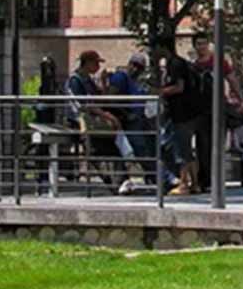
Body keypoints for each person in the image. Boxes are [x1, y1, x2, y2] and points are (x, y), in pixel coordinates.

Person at [108, 52, 174, 194]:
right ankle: (162, 179)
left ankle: (161, 178)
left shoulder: (136, 81)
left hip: (141, 120)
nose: (137, 70)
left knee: (150, 149)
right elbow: (111, 98)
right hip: (129, 121)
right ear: (130, 64)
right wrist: (126, 114)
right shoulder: (121, 77)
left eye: (141, 68)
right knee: (142, 151)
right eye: (136, 66)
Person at [64, 50, 127, 192]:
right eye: (96, 63)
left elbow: (99, 98)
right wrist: (106, 115)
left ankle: (121, 181)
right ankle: (115, 182)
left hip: (94, 121)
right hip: (80, 122)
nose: (98, 66)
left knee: (111, 147)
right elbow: (82, 104)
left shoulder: (89, 80)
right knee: (95, 150)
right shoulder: (75, 80)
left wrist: (104, 82)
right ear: (87, 63)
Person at [190, 31, 243, 193]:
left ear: (208, 45)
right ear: (194, 46)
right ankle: (205, 179)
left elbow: (231, 79)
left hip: (218, 108)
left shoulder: (218, 62)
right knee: (202, 145)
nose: (201, 47)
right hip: (200, 110)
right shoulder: (193, 66)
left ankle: (215, 178)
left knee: (217, 144)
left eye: (204, 43)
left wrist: (240, 98)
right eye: (198, 44)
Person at [156, 39, 200, 196]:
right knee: (186, 149)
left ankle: (183, 184)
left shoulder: (175, 64)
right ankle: (194, 184)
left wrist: (160, 92)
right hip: (186, 113)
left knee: (181, 149)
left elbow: (179, 87)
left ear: (163, 47)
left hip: (182, 113)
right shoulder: (175, 63)